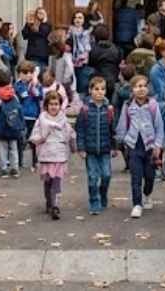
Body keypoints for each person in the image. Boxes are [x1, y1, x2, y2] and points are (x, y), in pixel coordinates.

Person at [115, 74, 165, 218]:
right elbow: (122, 124)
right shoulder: (128, 106)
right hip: (133, 146)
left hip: (150, 146)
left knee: (149, 176)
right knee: (136, 176)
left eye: (144, 86)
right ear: (132, 90)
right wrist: (123, 140)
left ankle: (147, 194)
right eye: (138, 86)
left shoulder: (153, 105)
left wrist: (158, 145)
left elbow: (159, 126)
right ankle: (137, 204)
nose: (141, 89)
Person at [29, 90, 75, 220]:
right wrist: (41, 138)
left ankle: (55, 205)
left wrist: (73, 147)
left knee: (56, 182)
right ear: (46, 106)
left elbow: (69, 134)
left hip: (59, 156)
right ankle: (49, 201)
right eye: (51, 104)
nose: (54, 107)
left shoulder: (63, 120)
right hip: (46, 155)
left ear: (60, 105)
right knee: (48, 182)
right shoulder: (41, 120)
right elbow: (35, 135)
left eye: (56, 104)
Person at [76, 76, 117, 215]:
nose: (100, 92)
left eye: (103, 89)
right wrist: (81, 148)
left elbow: (113, 130)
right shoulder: (85, 110)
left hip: (105, 149)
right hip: (90, 150)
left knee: (106, 175)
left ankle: (102, 194)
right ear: (90, 90)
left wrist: (114, 147)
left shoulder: (109, 109)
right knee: (93, 177)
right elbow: (80, 129)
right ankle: (94, 200)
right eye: (96, 89)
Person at [0, 69, 23, 177]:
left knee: (1, 148)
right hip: (13, 125)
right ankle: (15, 167)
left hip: (1, 125)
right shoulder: (13, 94)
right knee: (13, 147)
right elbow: (19, 108)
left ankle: (3, 168)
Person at [14, 63, 42, 170]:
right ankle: (19, 162)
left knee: (34, 140)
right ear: (19, 74)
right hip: (22, 116)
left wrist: (34, 86)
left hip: (33, 116)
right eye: (25, 73)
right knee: (20, 140)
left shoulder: (36, 84)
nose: (28, 75)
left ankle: (35, 161)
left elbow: (39, 96)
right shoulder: (18, 85)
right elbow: (21, 97)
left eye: (31, 73)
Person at [88, 24, 122, 91]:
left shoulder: (93, 49)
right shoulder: (116, 48)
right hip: (113, 79)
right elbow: (118, 62)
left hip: (98, 80)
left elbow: (90, 63)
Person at [46, 28, 76, 101]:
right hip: (60, 86)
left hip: (62, 86)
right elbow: (51, 70)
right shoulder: (56, 55)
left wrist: (60, 84)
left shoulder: (63, 55)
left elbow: (69, 71)